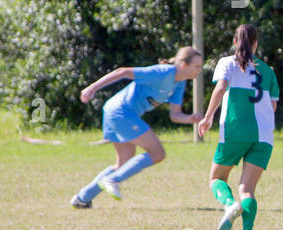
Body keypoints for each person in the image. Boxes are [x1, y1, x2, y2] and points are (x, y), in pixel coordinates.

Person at [72, 47, 203, 207]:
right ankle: (112, 180)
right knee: (157, 153)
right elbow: (123, 72)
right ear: (183, 65)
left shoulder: (179, 83)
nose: (200, 70)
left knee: (123, 163)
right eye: (197, 66)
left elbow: (175, 115)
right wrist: (92, 88)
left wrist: (192, 119)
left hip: (114, 111)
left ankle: (82, 198)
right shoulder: (163, 72)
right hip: (121, 112)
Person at [196, 24, 279, 230]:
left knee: (217, 178)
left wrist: (208, 116)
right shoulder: (268, 70)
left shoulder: (227, 63)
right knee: (247, 188)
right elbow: (272, 107)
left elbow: (220, 87)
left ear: (235, 42)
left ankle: (230, 204)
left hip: (235, 130)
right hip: (264, 136)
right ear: (256, 43)